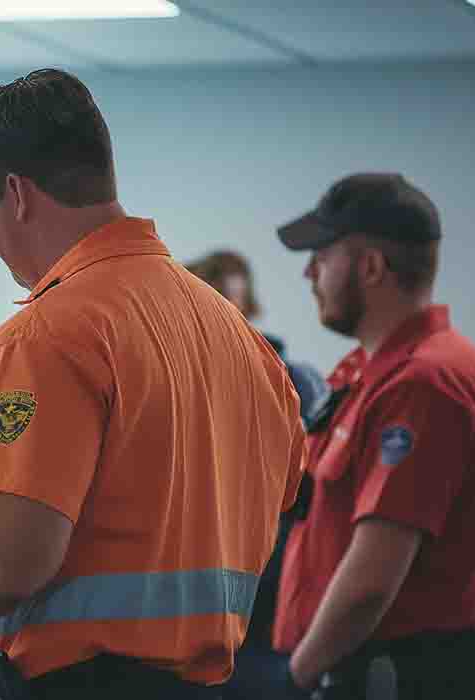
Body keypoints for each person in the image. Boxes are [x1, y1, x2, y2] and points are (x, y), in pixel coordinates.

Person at [0, 68, 305, 700]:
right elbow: (279, 491)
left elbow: (6, 562)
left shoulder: (51, 335)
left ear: (16, 195)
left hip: (76, 682)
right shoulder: (232, 330)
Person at [272, 174, 475, 700]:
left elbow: (370, 584)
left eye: (322, 255)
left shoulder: (422, 386)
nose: (308, 273)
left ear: (369, 266)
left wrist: (294, 680)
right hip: (363, 670)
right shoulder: (383, 375)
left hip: (376, 677)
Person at [187, 250, 327, 700]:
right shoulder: (182, 388)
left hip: (271, 605)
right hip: (201, 611)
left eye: (236, 309)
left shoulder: (296, 384)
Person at [189, 250, 328, 415]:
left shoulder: (298, 382)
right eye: (208, 302)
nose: (220, 313)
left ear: (246, 305)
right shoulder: (171, 377)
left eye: (229, 299)